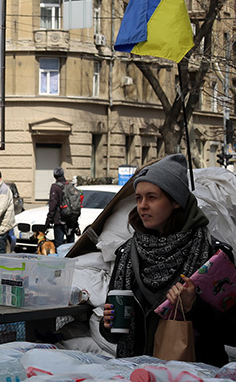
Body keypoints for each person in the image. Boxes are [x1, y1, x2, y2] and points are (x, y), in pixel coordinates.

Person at [100, 154, 235, 366]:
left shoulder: (214, 255)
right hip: (137, 376)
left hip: (192, 380)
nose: (142, 206)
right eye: (138, 198)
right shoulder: (127, 254)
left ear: (176, 201)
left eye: (152, 197)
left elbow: (231, 332)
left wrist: (195, 307)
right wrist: (107, 324)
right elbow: (115, 335)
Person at [45, 167, 79, 248]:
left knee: (59, 245)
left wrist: (48, 221)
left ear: (54, 176)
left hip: (59, 220)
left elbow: (53, 205)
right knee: (70, 245)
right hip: (71, 220)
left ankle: (60, 260)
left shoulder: (55, 187)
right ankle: (70, 260)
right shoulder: (70, 186)